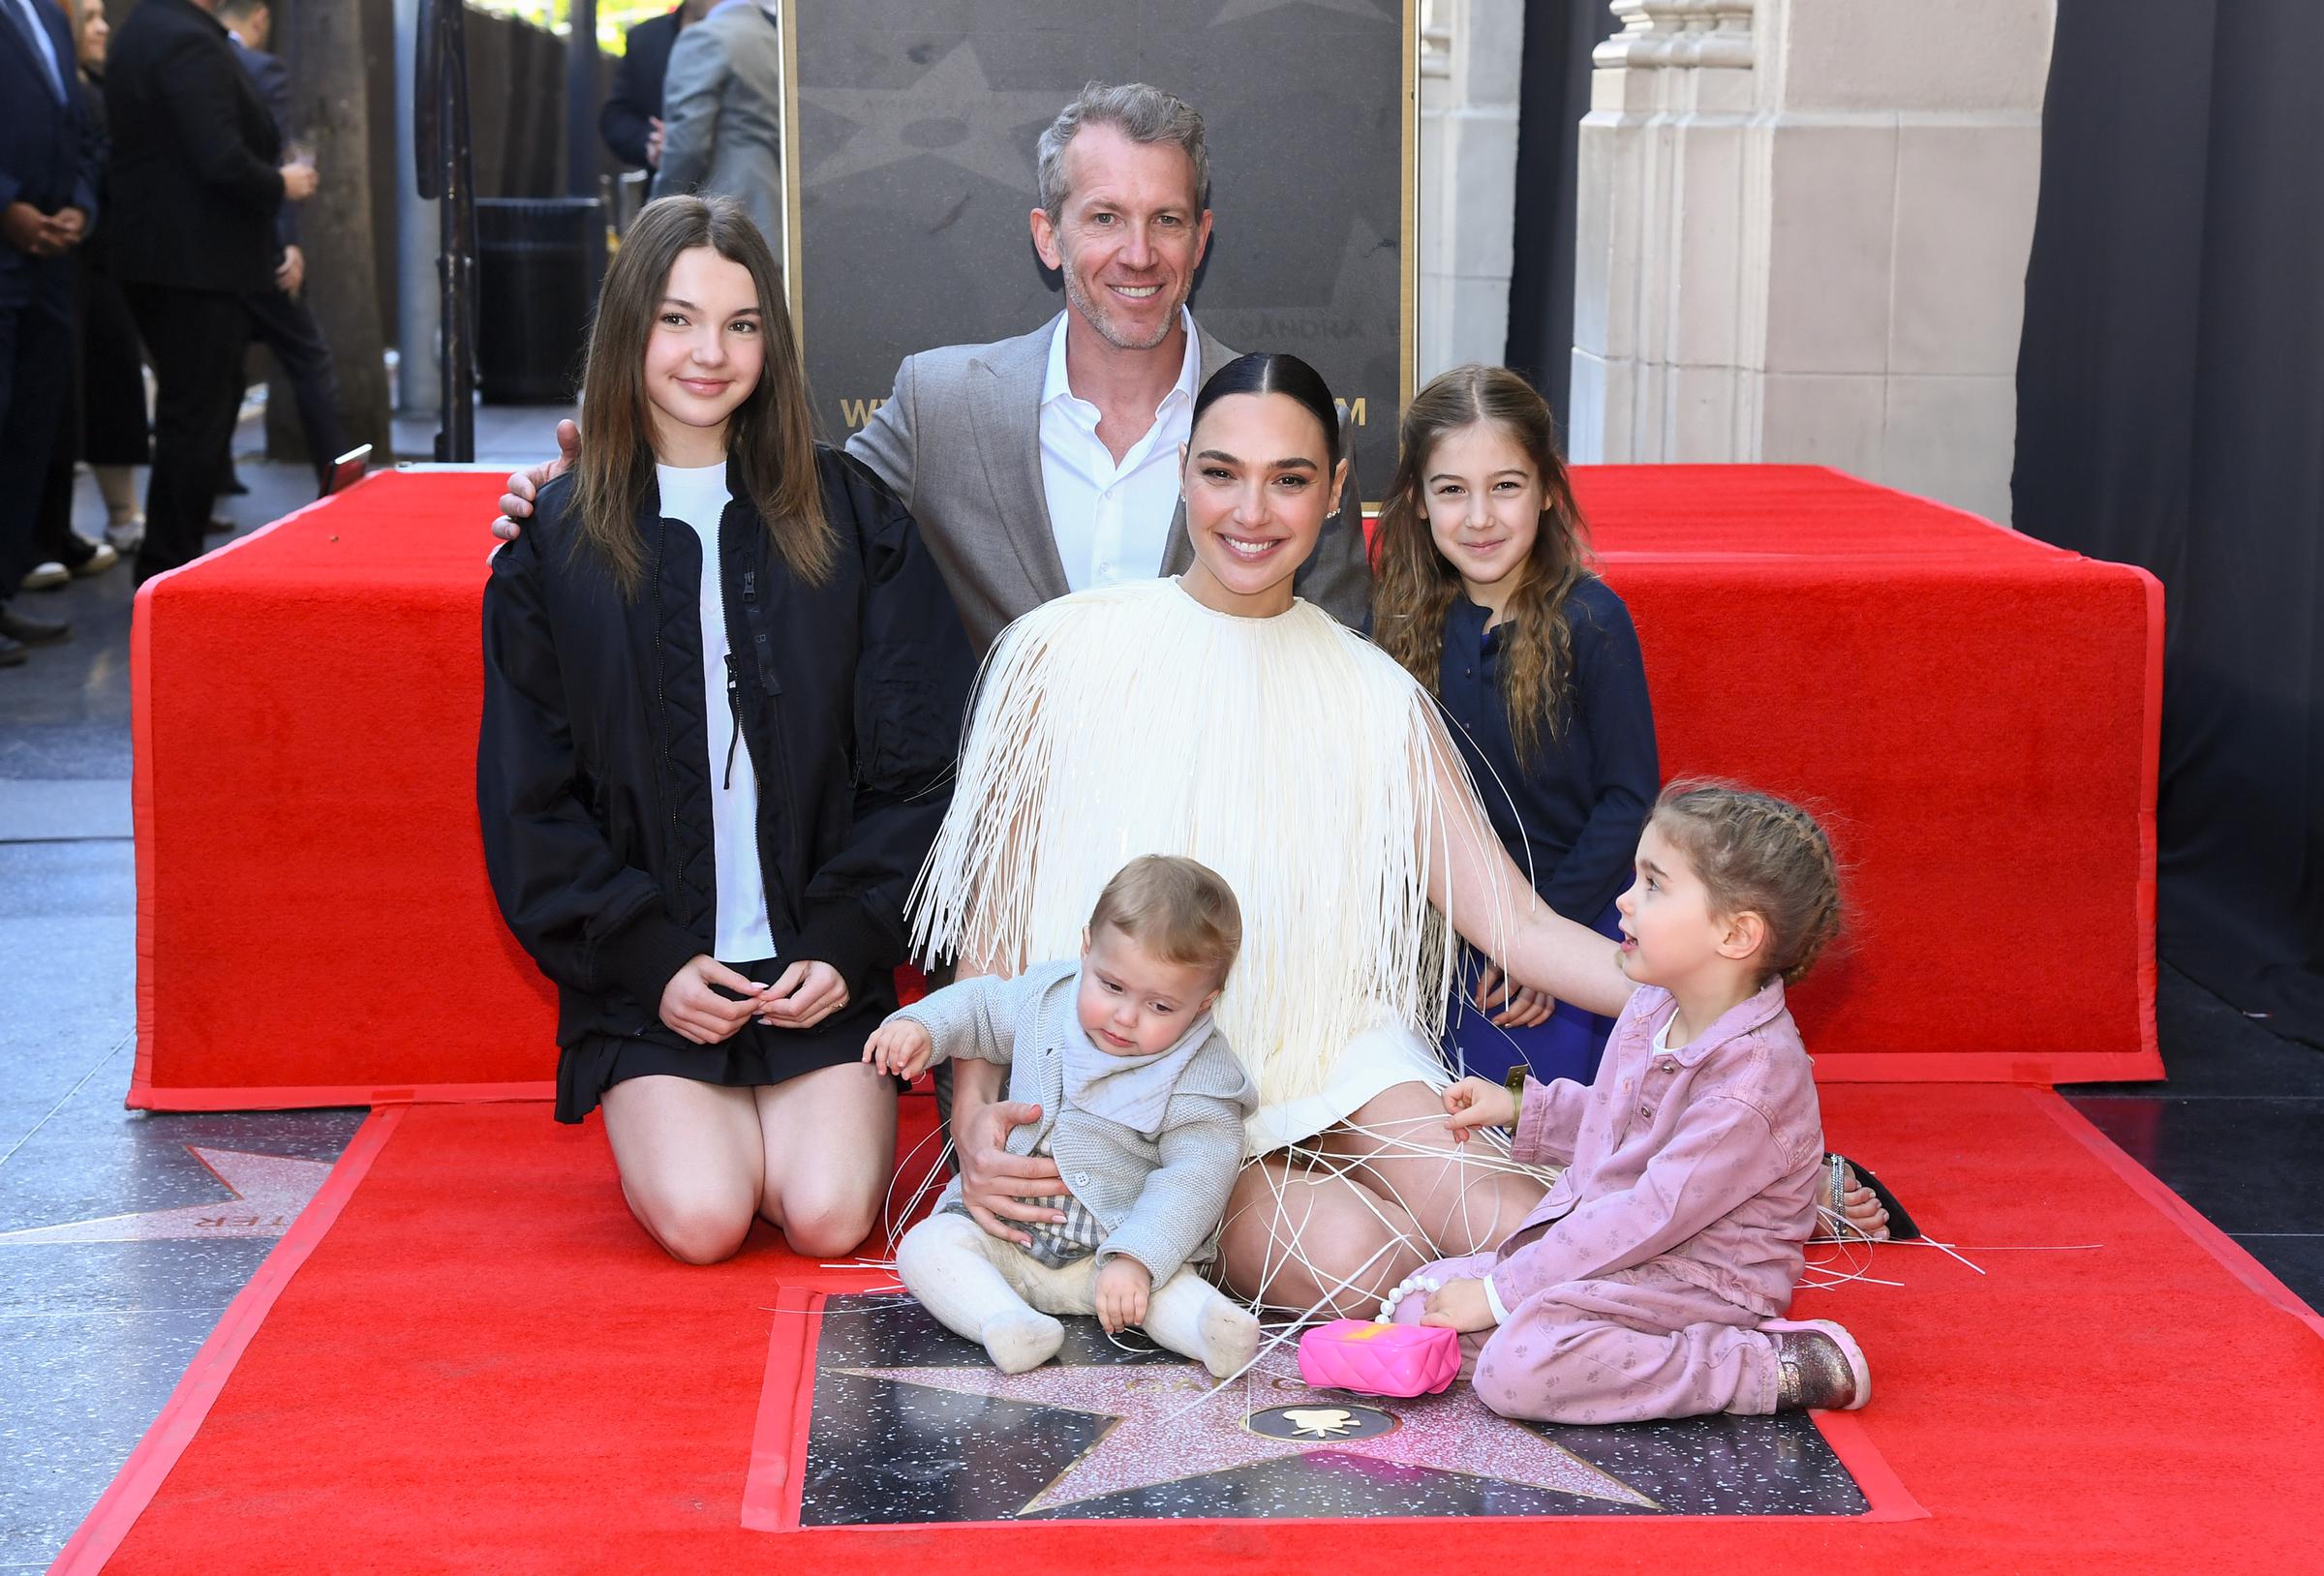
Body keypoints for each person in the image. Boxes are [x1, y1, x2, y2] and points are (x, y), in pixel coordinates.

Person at [914, 350, 1643, 1318]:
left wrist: (1703, 1003)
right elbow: (997, 926)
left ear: (1336, 491)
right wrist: (974, 1114)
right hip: (1154, 1093)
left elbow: (1518, 923)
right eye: (1223, 472)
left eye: (1289, 479)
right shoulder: (1054, 655)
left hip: (1335, 1051)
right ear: (1183, 469)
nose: (1251, 512)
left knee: (1505, 1218)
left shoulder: (1377, 695)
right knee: (1356, 1264)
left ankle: (1698, 1218)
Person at [477, 195, 972, 1267]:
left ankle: (785, 1105)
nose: (710, 352)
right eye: (677, 319)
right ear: (628, 334)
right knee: (704, 1219)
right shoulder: (551, 546)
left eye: (741, 324)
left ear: (772, 342)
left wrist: (849, 941)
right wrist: (649, 960)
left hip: (814, 968)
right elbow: (531, 799)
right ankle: (689, 1107)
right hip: (654, 979)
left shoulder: (849, 516)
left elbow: (926, 759)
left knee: (833, 1217)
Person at [495, 81, 1372, 652]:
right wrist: (615, 483)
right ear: (1047, 235)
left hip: (1220, 885)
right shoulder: (941, 402)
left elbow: (1339, 656)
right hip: (1005, 885)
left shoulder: (1286, 426)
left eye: (1167, 220)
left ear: (1202, 237)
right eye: (1104, 217)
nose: (1137, 254)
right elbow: (783, 511)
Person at [1389, 782, 1871, 1422]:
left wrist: (1502, 1292)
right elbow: (1619, 1122)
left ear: (1735, 934)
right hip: (1616, 1250)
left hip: (1698, 1279)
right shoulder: (1655, 1003)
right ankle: (1572, 1339)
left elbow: (1652, 1214)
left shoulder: (1751, 1084)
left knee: (1518, 1372)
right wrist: (1520, 1107)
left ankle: (1761, 1366)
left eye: (1653, 885)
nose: (1624, 900)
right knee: (1419, 1305)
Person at [1371, 365, 1656, 1089]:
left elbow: (1629, 797)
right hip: (1455, 923)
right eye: (1451, 490)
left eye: (1506, 486)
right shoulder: (1401, 625)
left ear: (1548, 492)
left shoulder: (1591, 620)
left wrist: (1543, 941)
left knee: (1546, 1110)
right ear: (1416, 501)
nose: (1480, 517)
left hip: (1578, 905)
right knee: (1442, 1107)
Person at [869, 855, 1261, 1378]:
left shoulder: (1201, 1074)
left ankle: (1211, 1333)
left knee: (1166, 1288)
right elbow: (981, 1008)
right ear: (1085, 949)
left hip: (1108, 1251)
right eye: (1111, 986)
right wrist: (922, 1026)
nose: (1125, 1017)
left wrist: (1138, 1259)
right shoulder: (1047, 999)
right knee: (927, 1249)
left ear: (1205, 1003)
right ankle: (1005, 1321)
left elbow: (1195, 1179)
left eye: (1161, 1007)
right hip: (1005, 1234)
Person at [104, 0, 314, 583]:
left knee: (198, 411)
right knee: (195, 418)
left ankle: (174, 560)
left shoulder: (151, 30)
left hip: (176, 262)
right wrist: (281, 182)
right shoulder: (184, 40)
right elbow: (219, 157)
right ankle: (170, 566)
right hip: (191, 266)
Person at [0, 0, 100, 663]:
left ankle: (1, 591)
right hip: (5, 249)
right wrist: (6, 206)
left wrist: (80, 208)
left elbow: (83, 133)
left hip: (50, 268)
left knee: (29, 430)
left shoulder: (49, 15)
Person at [220, 0, 348, 496]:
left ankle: (212, 476)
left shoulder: (188, 60)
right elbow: (276, 164)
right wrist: (287, 242)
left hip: (200, 251)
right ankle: (338, 482)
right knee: (307, 354)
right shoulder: (258, 68)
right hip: (257, 243)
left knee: (219, 366)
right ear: (259, 17)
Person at [652, 0, 783, 248]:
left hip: (720, 225)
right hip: (774, 214)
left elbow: (687, 146)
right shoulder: (774, 39)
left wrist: (657, 212)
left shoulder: (705, 37)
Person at [600, 2, 691, 174]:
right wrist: (652, 140)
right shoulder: (645, 38)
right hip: (668, 187)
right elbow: (617, 117)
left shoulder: (750, 34)